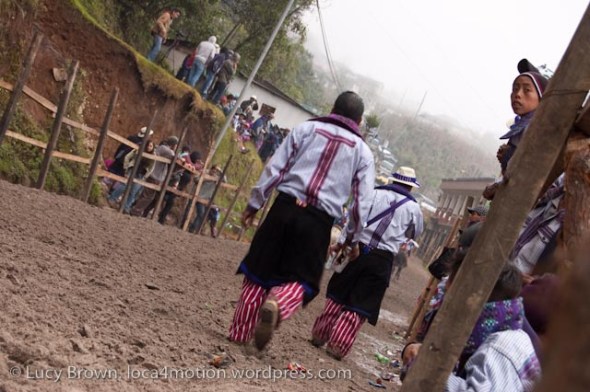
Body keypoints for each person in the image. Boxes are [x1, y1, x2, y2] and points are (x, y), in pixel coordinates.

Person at [228, 91, 375, 351]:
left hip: (284, 208)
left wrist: (254, 203)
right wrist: (351, 239)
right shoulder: (363, 153)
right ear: (360, 120)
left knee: (259, 271)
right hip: (318, 222)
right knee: (303, 281)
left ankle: (240, 334)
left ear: (332, 107)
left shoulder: (306, 129)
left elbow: (276, 168)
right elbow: (360, 204)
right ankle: (279, 303)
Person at [402, 225, 541, 391]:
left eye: (449, 292)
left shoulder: (501, 347)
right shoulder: (493, 328)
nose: (445, 298)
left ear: (468, 298)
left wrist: (425, 367)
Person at [311, 167, 423, 360]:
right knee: (361, 303)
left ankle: (320, 334)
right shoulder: (414, 209)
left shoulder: (373, 193)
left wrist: (341, 243)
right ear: (410, 188)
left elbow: (354, 219)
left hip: (356, 250)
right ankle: (338, 345)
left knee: (338, 294)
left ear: (392, 180)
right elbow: (415, 233)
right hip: (382, 259)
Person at [484, 59, 549, 200]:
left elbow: (523, 176)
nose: (517, 94)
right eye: (515, 89)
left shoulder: (537, 129)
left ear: (542, 97)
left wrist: (498, 185)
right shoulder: (522, 126)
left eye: (527, 90)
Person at [131, 136, 178, 217]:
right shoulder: (167, 150)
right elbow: (176, 158)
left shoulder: (162, 148)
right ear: (173, 144)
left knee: (145, 194)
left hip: (153, 173)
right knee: (148, 196)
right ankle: (136, 211)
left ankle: (133, 208)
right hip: (155, 175)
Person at [107, 140, 156, 214]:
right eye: (148, 145)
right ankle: (112, 199)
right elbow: (127, 157)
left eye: (151, 146)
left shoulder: (153, 156)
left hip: (141, 173)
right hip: (132, 169)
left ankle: (126, 207)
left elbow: (151, 167)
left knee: (133, 191)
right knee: (124, 185)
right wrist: (126, 167)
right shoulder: (138, 150)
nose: (149, 147)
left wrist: (146, 175)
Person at [188, 165, 225, 236]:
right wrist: (205, 178)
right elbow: (196, 179)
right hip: (198, 197)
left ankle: (195, 229)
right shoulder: (204, 172)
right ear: (211, 169)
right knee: (200, 213)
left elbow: (224, 180)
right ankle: (192, 228)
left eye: (216, 171)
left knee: (209, 214)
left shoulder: (216, 178)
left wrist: (221, 171)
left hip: (207, 199)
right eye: (214, 170)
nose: (214, 172)